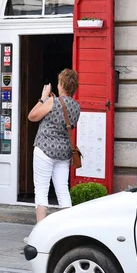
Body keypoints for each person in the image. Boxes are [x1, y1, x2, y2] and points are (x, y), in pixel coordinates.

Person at [28, 68, 80, 224]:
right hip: (64, 152)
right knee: (63, 190)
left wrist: (43, 98)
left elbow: (32, 116)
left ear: (62, 85)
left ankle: (40, 232)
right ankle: (67, 230)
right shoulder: (76, 107)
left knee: (41, 191)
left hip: (45, 149)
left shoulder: (53, 101)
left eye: (59, 82)